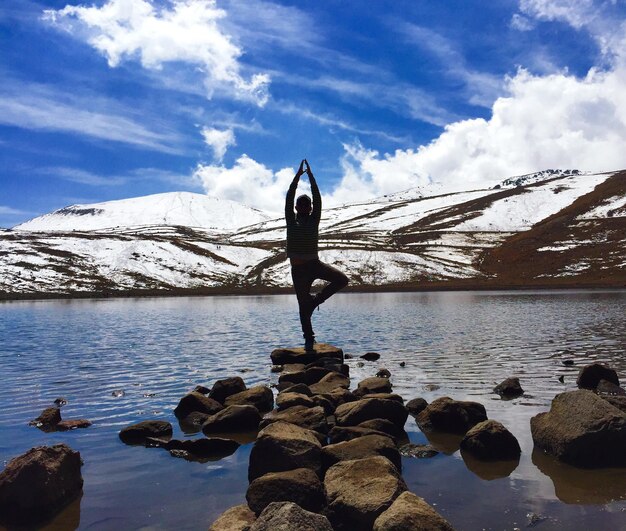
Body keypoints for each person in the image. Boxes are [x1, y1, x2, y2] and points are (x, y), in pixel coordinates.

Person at [285, 159, 349, 349]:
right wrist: (297, 177)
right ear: (297, 208)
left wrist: (311, 176)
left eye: (307, 205)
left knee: (342, 280)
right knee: (302, 306)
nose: (304, 207)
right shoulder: (291, 220)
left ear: (310, 208)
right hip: (298, 270)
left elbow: (318, 197)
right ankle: (309, 338)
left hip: (314, 264)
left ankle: (315, 302)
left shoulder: (314, 220)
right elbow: (289, 196)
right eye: (301, 205)